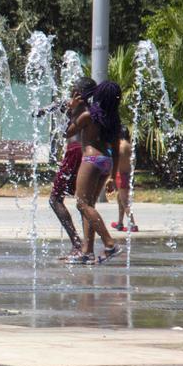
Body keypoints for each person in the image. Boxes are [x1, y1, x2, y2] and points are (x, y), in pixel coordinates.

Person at [67, 81, 124, 264]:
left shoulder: (89, 116)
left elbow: (67, 133)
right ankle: (87, 252)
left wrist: (72, 109)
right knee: (89, 205)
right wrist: (113, 176)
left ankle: (109, 243)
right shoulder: (114, 120)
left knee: (82, 205)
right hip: (105, 162)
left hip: (91, 160)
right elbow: (115, 149)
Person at [48, 77, 95, 256]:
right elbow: (45, 110)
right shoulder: (91, 107)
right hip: (85, 152)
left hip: (74, 152)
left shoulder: (79, 107)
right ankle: (86, 248)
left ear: (78, 92)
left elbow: (64, 132)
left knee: (55, 199)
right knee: (84, 202)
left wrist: (66, 109)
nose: (71, 90)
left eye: (73, 88)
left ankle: (77, 244)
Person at [111, 126, 138, 232]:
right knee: (120, 200)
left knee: (125, 201)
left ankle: (133, 225)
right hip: (128, 175)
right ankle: (120, 223)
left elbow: (114, 161)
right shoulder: (130, 146)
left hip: (120, 175)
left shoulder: (120, 146)